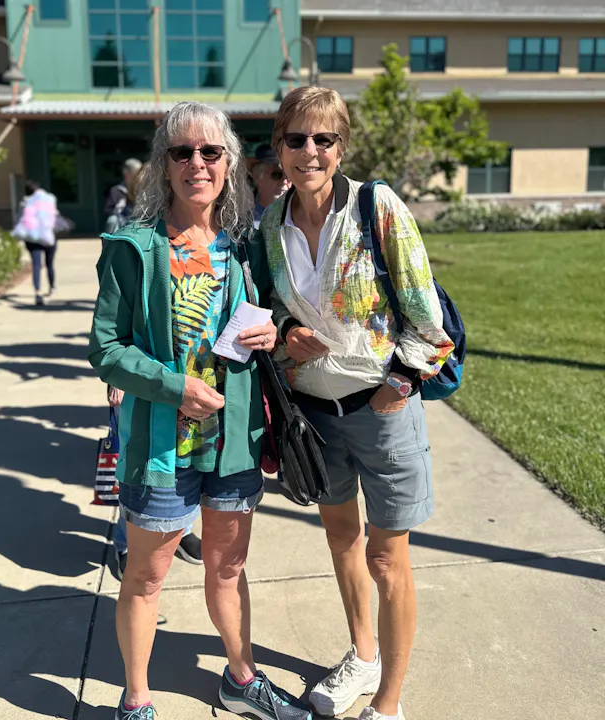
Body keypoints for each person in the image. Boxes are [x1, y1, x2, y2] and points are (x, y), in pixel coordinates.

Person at [88, 101, 311, 720]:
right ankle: (136, 700)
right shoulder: (133, 248)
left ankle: (240, 678)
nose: (196, 163)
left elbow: (274, 315)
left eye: (210, 152)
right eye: (181, 152)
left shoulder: (246, 245)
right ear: (164, 164)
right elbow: (105, 348)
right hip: (163, 444)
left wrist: (274, 332)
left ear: (229, 162)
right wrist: (172, 387)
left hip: (233, 439)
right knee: (146, 578)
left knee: (228, 567)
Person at [256, 87, 455, 720]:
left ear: (341, 147)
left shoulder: (376, 206)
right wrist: (288, 337)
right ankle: (362, 655)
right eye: (296, 139)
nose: (309, 151)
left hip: (381, 408)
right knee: (341, 535)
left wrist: (399, 384)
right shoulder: (270, 225)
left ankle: (389, 700)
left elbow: (426, 314)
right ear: (278, 148)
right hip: (316, 415)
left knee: (386, 555)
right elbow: (277, 313)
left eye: (324, 139)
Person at [106, 384, 203, 579]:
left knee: (188, 460)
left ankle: (182, 530)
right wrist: (117, 379)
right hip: (134, 377)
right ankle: (126, 544)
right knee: (137, 471)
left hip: (188, 373)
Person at [13, 180, 58, 306]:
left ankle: (37, 292)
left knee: (36, 265)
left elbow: (19, 219)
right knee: (49, 264)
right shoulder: (49, 199)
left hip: (32, 237)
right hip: (48, 236)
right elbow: (54, 216)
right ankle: (52, 286)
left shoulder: (25, 202)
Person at [252, 143, 290, 229]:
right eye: (276, 175)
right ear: (257, 176)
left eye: (289, 176)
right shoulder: (239, 217)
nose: (284, 181)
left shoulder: (302, 217)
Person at [105, 158, 143, 234]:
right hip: (122, 219)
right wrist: (118, 208)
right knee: (112, 220)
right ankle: (110, 244)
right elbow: (107, 210)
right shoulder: (116, 190)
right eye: (135, 173)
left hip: (140, 218)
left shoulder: (145, 188)